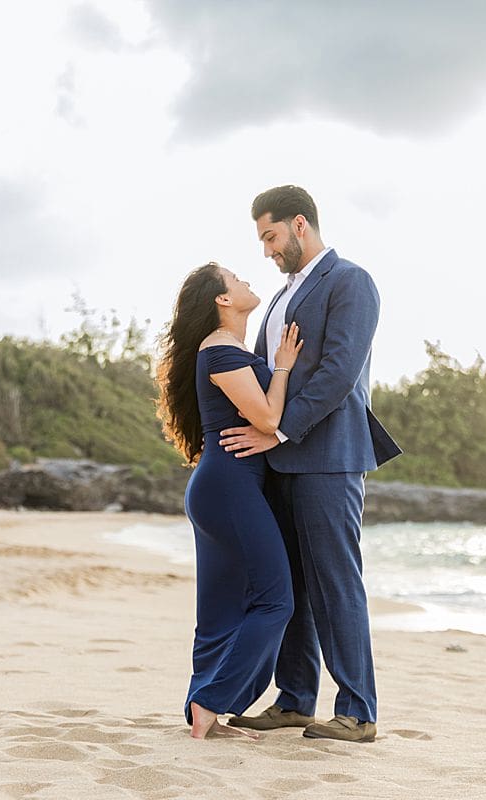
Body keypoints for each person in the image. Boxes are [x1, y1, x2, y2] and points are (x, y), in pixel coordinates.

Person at [220, 185, 402, 743]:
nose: (267, 251)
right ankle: (296, 698)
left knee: (335, 583)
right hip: (279, 461)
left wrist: (276, 428)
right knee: (291, 585)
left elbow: (339, 373)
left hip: (327, 457)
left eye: (271, 236)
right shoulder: (278, 298)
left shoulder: (351, 281)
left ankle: (358, 710)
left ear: (300, 225)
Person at [155, 262, 305, 740]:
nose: (245, 281)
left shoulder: (226, 348)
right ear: (222, 299)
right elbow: (265, 419)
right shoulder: (220, 349)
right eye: (235, 279)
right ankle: (211, 700)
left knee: (221, 606)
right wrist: (281, 368)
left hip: (221, 485)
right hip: (229, 485)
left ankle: (205, 715)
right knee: (275, 600)